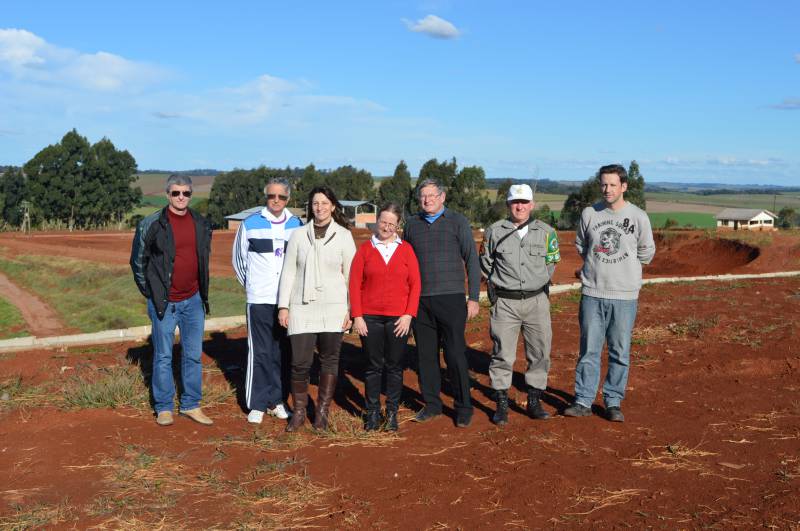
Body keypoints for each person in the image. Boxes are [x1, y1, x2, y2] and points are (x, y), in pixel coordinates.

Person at [564, 164, 656, 422]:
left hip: (625, 296)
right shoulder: (589, 213)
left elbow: (647, 252)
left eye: (613, 184)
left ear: (624, 186)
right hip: (593, 293)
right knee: (589, 350)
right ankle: (583, 400)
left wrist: (625, 269)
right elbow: (583, 245)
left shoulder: (638, 217)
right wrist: (597, 266)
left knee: (619, 351)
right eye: (604, 184)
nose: (607, 189)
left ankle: (613, 402)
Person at [130, 175, 213, 426]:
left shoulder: (200, 222)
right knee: (163, 356)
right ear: (167, 195)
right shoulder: (152, 223)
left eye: (186, 193)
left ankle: (191, 405)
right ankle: (164, 407)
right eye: (176, 193)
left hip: (194, 300)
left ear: (191, 195)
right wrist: (152, 293)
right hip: (164, 302)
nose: (181, 197)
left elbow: (202, 260)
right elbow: (138, 262)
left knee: (193, 355)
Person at [403, 179, 481, 428]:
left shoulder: (457, 222)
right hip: (420, 301)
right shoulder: (412, 225)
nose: (427, 200)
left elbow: (471, 260)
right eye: (423, 196)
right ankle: (432, 405)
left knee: (455, 354)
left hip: (452, 298)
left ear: (443, 197)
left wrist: (474, 298)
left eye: (432, 195)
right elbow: (405, 263)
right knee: (426, 356)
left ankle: (463, 407)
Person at [480, 184, 560, 425]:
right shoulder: (494, 232)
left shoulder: (547, 232)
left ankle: (534, 399)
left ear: (532, 205)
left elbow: (551, 263)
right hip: (505, 302)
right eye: (516, 202)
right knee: (502, 354)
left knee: (540, 352)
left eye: (524, 202)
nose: (520, 206)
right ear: (508, 204)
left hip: (537, 301)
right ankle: (502, 402)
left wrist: (536, 282)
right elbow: (485, 263)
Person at [277, 186, 356, 431]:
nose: (319, 207)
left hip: (334, 308)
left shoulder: (344, 235)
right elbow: (288, 272)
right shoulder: (299, 235)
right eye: (315, 203)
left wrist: (351, 310)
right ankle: (299, 412)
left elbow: (352, 275)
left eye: (324, 203)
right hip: (301, 306)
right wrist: (283, 306)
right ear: (310, 207)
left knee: (329, 361)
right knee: (299, 363)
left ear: (333, 206)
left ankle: (321, 412)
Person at [232, 177, 303, 424]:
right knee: (259, 352)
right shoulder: (250, 223)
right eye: (272, 196)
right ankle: (258, 403)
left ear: (288, 199)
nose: (276, 200)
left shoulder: (296, 224)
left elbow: (301, 261)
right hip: (259, 299)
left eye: (281, 197)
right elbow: (239, 261)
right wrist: (252, 286)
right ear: (266, 197)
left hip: (286, 302)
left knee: (281, 351)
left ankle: (278, 400)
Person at [349, 202, 421, 432]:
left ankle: (391, 413)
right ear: (377, 221)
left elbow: (415, 284)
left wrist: (409, 314)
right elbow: (354, 284)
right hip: (370, 318)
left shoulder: (407, 249)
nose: (386, 227)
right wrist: (357, 316)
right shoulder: (365, 249)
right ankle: (371, 413)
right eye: (383, 222)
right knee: (372, 366)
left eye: (391, 223)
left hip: (398, 319)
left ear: (398, 225)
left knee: (394, 366)